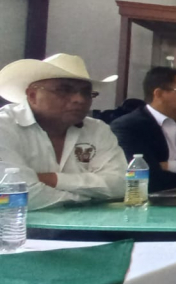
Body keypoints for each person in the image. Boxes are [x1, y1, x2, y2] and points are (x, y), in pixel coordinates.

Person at [0, 54, 126, 209]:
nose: (79, 99)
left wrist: (53, 179)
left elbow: (121, 184)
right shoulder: (4, 127)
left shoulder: (97, 129)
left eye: (86, 93)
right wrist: (88, 199)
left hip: (88, 223)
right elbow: (16, 194)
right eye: (64, 90)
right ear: (32, 96)